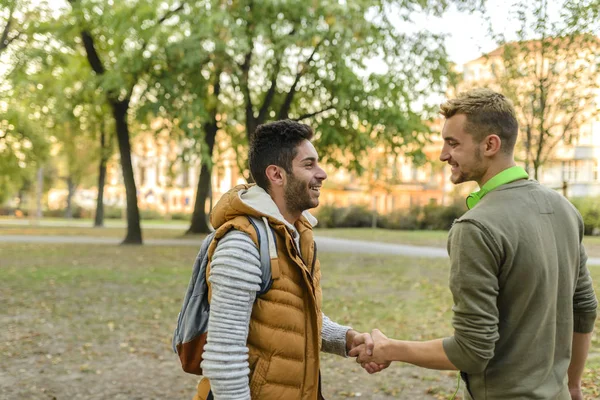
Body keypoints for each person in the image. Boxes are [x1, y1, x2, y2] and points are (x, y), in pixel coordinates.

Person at [352, 88, 598, 399]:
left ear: (491, 144)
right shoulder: (565, 208)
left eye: (452, 143)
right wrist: (573, 386)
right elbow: (585, 309)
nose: (443, 154)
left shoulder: (475, 228)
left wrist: (390, 348)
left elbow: (472, 350)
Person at [195, 120, 384, 400]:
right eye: (309, 165)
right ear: (277, 175)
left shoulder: (297, 235)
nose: (322, 174)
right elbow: (224, 358)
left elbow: (289, 317)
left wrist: (346, 338)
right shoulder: (242, 245)